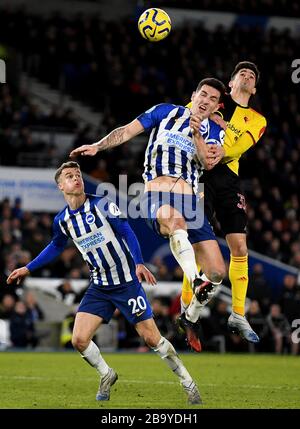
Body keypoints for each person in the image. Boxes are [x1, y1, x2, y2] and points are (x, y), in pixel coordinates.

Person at [7, 161, 201, 405]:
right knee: (78, 340)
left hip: (126, 283)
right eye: (69, 176)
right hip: (99, 286)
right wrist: (28, 267)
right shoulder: (63, 220)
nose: (76, 178)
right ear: (60, 186)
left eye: (77, 174)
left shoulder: (102, 203)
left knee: (152, 339)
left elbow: (127, 231)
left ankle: (189, 384)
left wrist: (139, 262)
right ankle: (106, 374)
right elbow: (56, 245)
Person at [70, 78, 227, 352]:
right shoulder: (165, 111)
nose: (206, 101)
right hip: (157, 194)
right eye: (203, 94)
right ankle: (194, 277)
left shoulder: (214, 128)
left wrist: (197, 135)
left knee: (217, 272)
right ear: (194, 95)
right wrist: (98, 145)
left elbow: (208, 162)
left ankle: (189, 318)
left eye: (212, 99)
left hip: (191, 199)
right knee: (174, 221)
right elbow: (127, 131)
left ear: (216, 106)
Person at [182, 62, 267, 344]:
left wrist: (220, 150)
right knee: (200, 243)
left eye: (251, 75)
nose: (247, 75)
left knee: (240, 246)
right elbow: (188, 116)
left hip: (228, 179)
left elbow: (241, 146)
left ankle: (238, 314)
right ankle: (186, 308)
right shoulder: (214, 100)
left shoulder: (256, 119)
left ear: (253, 88)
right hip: (201, 175)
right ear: (230, 83)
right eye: (241, 72)